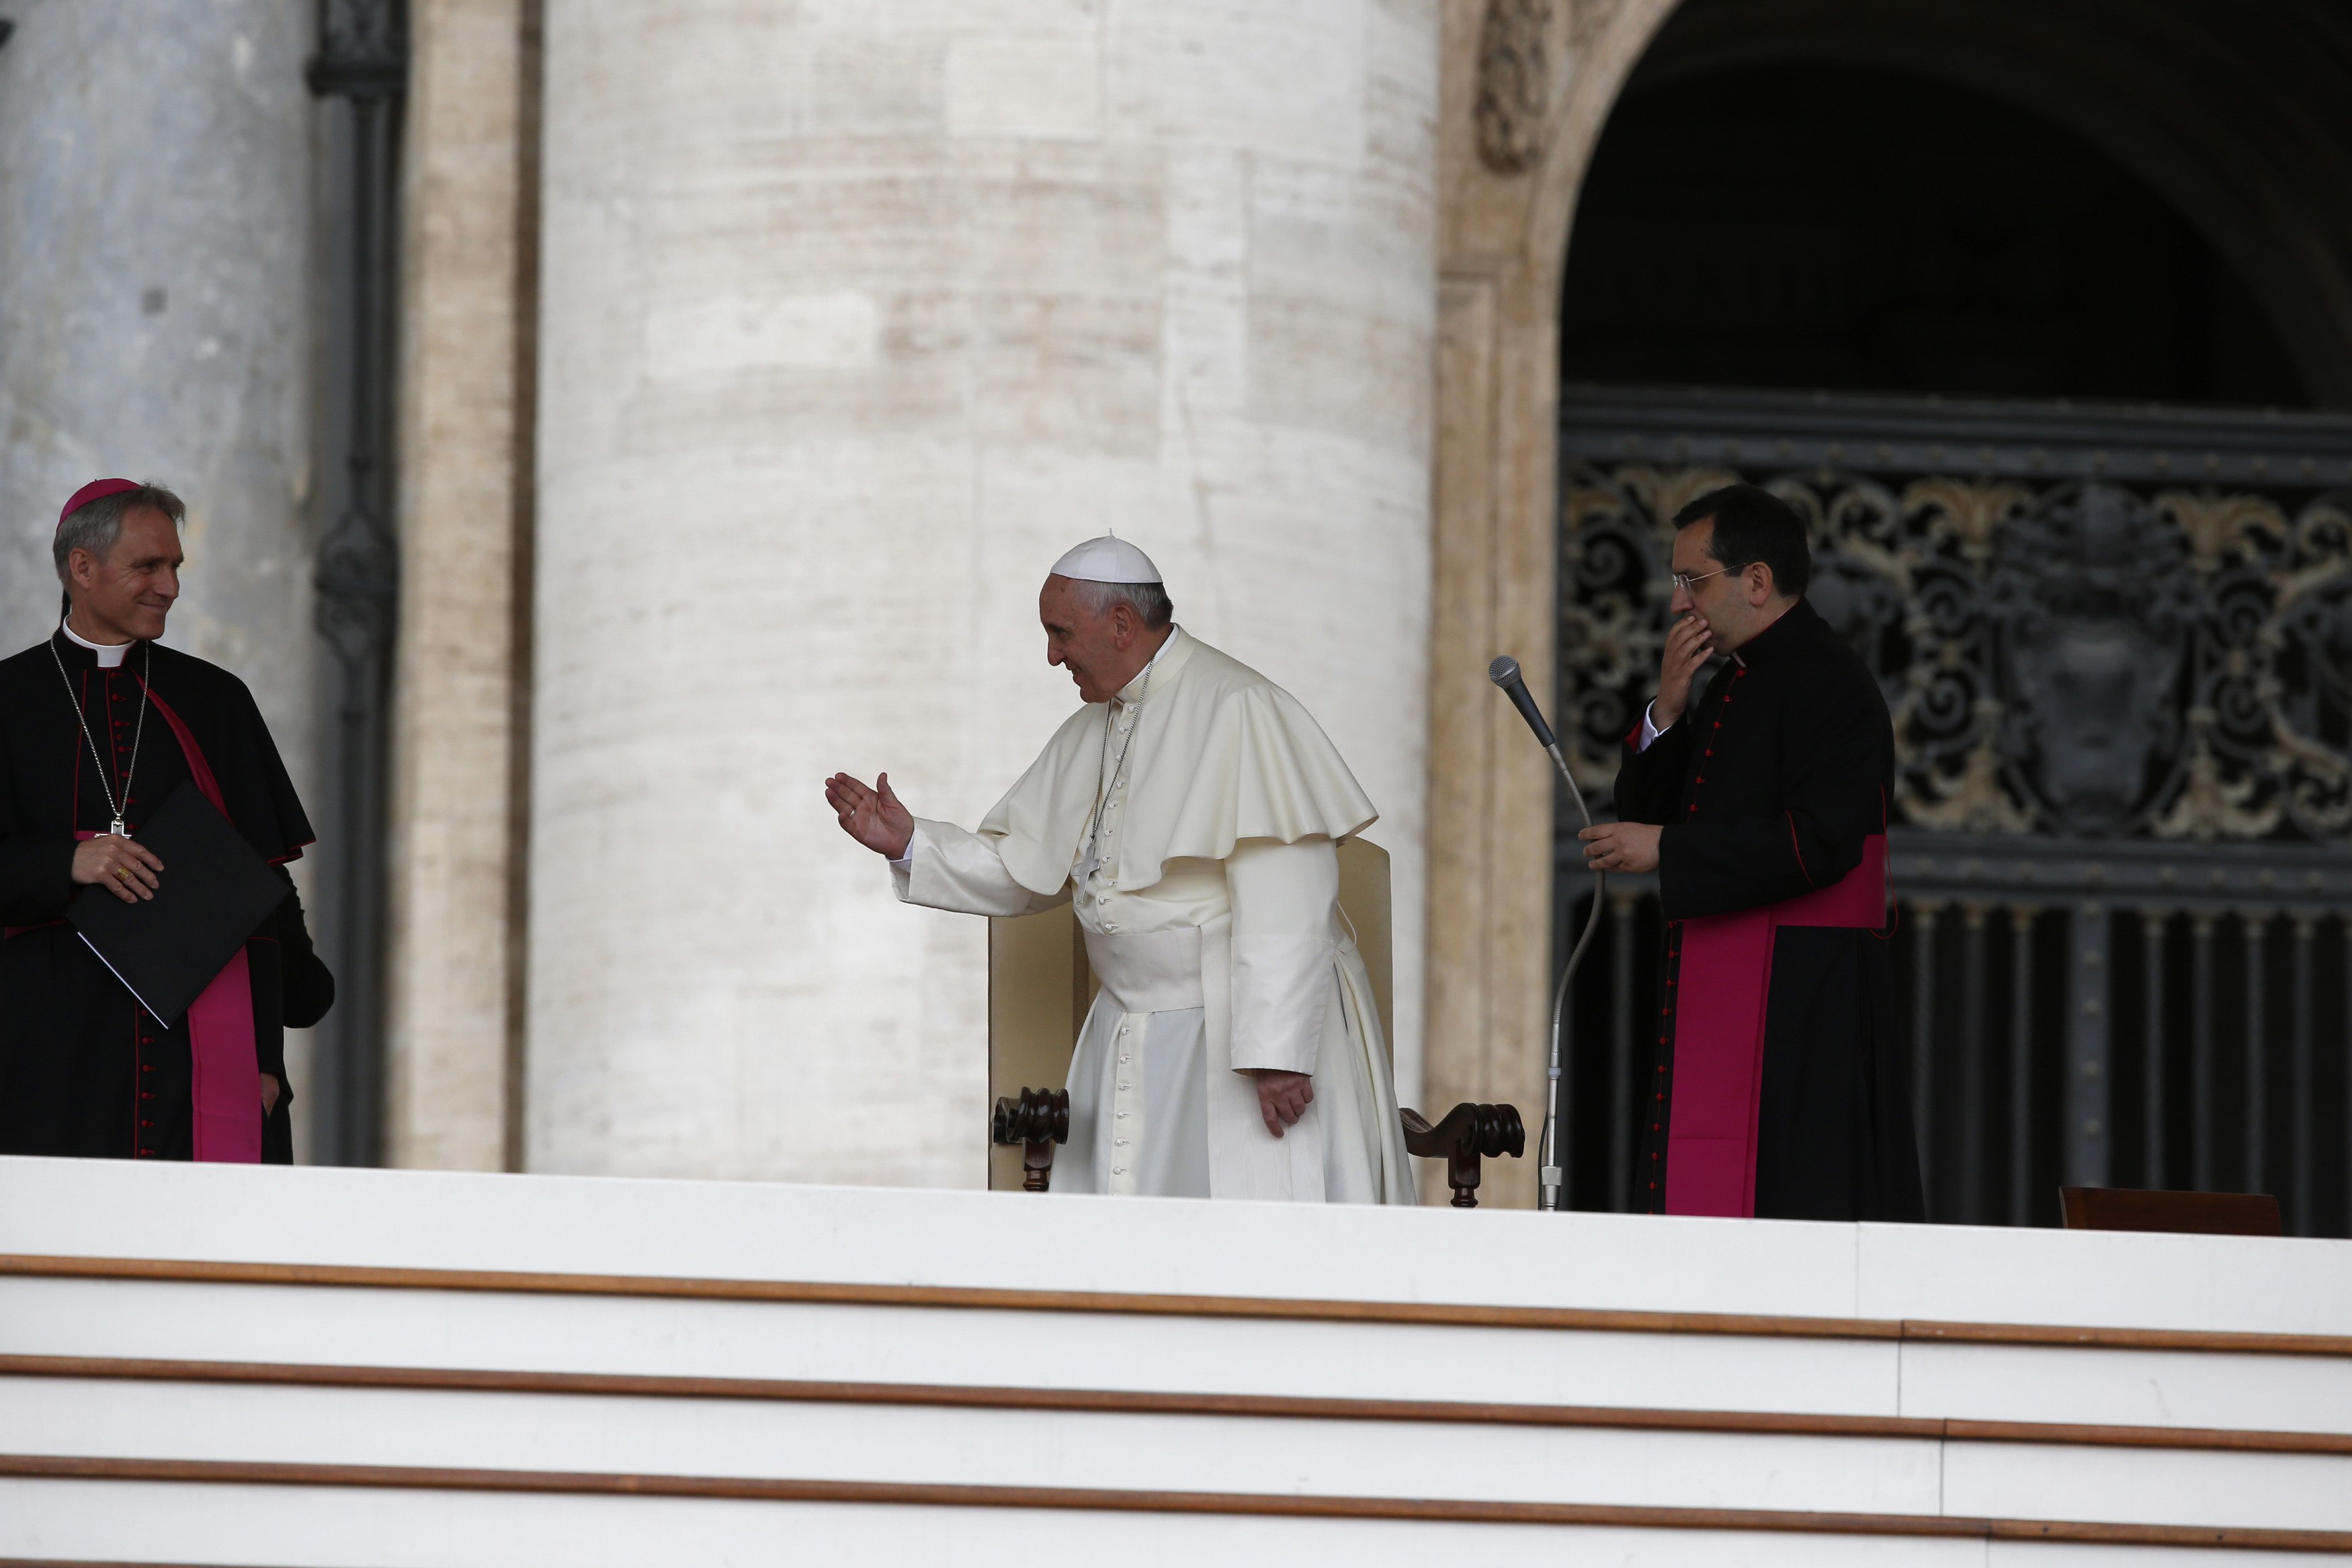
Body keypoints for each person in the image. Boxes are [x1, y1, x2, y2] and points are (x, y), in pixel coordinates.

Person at [826, 537, 1413, 1203]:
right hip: (1127, 1029)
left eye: (1060, 633)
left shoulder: (1240, 706)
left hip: (1231, 1038)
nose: (1051, 655)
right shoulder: (1096, 726)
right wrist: (909, 843)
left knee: (1244, 1231)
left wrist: (1275, 1055)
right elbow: (1026, 868)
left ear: (1121, 625)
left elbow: (1287, 895)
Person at [1580, 484, 1923, 1221]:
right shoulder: (1732, 683)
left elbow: (1820, 841)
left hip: (1803, 997)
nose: (1678, 604)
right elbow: (1648, 817)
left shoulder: (1831, 684)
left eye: (1690, 581)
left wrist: (1670, 849)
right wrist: (1667, 708)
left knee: (1794, 1196)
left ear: (1757, 581)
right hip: (1737, 970)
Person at [0, 479, 332, 1164]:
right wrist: (66, 861)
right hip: (44, 1049)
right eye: (148, 567)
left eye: (175, 566)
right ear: (82, 569)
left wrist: (264, 1057)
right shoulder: (9, 699)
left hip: (194, 1051)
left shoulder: (214, 701)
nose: (169, 586)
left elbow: (260, 886)